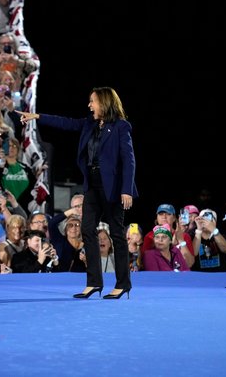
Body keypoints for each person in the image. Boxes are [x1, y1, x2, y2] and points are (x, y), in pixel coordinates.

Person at [19, 86, 138, 299]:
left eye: (93, 101)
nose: (89, 105)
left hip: (113, 188)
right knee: (87, 230)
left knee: (117, 234)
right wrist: (37, 116)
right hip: (92, 185)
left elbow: (129, 161)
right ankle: (94, 283)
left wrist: (126, 190)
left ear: (104, 102)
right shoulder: (89, 124)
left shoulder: (121, 126)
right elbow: (65, 122)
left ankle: (123, 284)